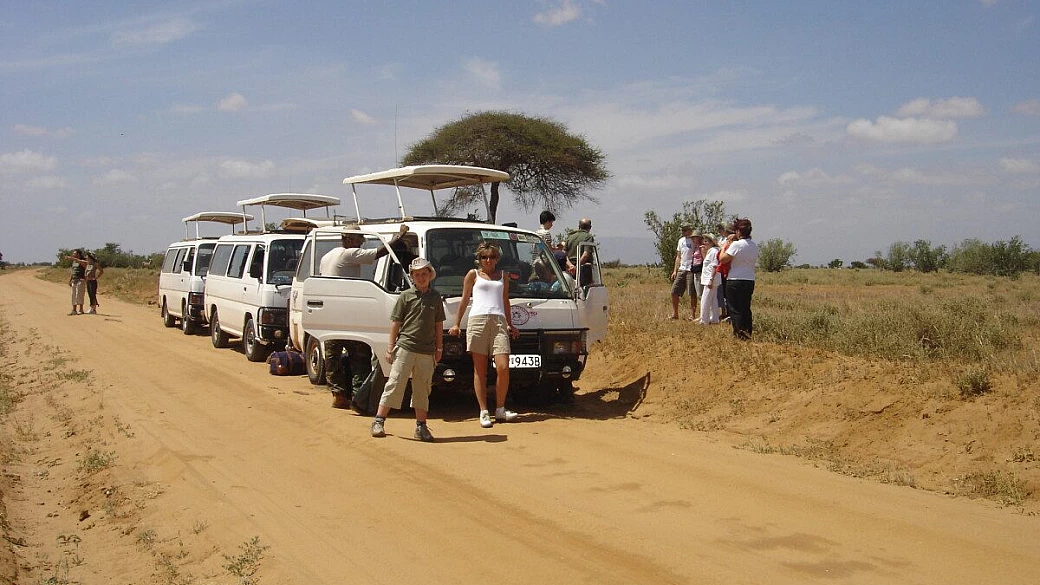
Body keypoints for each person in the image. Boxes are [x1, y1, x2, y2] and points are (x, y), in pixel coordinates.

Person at [319, 224, 409, 409]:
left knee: (332, 356)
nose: (361, 244)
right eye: (359, 240)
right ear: (349, 239)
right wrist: (399, 236)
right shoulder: (348, 254)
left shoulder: (328, 256)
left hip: (330, 312)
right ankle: (358, 396)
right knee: (359, 355)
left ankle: (337, 393)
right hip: (347, 313)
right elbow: (379, 253)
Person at [370, 257, 445, 442]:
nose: (421, 278)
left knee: (422, 388)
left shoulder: (435, 297)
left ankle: (421, 427)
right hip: (405, 347)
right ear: (412, 276)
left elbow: (438, 324)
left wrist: (439, 347)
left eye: (424, 274)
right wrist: (390, 347)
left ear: (430, 275)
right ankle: (379, 420)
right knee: (395, 382)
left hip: (427, 351)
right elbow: (396, 322)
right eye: (417, 274)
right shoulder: (405, 296)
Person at [447, 241, 520, 428]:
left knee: (503, 367)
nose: (488, 260)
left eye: (492, 257)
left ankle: (500, 409)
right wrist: (456, 323)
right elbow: (464, 300)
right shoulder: (473, 275)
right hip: (478, 320)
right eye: (484, 257)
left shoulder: (503, 276)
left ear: (497, 259)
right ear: (479, 259)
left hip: (498, 322)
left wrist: (510, 325)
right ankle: (483, 411)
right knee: (480, 370)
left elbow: (505, 301)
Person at [718, 218, 759, 339]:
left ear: (738, 232)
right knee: (745, 307)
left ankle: (739, 332)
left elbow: (723, 259)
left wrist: (724, 247)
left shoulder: (736, 245)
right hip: (749, 279)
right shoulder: (754, 245)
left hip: (735, 279)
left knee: (734, 308)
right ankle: (747, 331)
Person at [669, 225, 698, 320]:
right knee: (674, 291)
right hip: (682, 268)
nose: (683, 232)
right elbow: (678, 256)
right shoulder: (681, 240)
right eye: (682, 230)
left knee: (692, 293)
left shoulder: (695, 240)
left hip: (691, 269)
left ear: (690, 230)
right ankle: (675, 314)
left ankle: (692, 314)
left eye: (685, 230)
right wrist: (675, 270)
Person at [697, 234, 722, 324]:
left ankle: (704, 320)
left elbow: (715, 266)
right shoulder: (711, 251)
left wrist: (711, 279)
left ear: (712, 242)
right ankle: (714, 318)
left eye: (706, 241)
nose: (704, 243)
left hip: (711, 279)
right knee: (713, 299)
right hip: (711, 278)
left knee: (705, 299)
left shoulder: (714, 251)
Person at [564, 218, 595, 285]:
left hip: (569, 270)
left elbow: (564, 255)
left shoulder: (570, 237)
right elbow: (585, 255)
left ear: (579, 226)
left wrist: (570, 266)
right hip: (583, 270)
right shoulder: (588, 237)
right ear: (590, 228)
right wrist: (576, 267)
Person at [66, 250, 88, 315]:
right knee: (74, 295)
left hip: (81, 279)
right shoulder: (74, 262)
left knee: (80, 294)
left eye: (74, 253)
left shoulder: (82, 260)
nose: (73, 255)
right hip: (74, 279)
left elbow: (85, 264)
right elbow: (73, 271)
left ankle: (81, 309)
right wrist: (70, 279)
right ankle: (74, 310)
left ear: (78, 254)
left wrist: (72, 258)